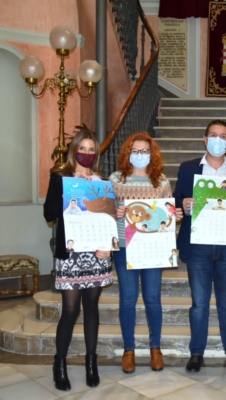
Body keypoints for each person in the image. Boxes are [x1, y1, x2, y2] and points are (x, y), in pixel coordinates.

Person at [174, 119, 226, 373]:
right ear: (205, 140)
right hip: (198, 246)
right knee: (199, 303)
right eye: (213, 135)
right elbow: (175, 203)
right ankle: (196, 353)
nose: (218, 139)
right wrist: (182, 206)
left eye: (223, 136)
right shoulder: (187, 169)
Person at [43, 129, 112, 391]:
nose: (86, 153)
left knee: (92, 308)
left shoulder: (102, 181)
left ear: (96, 154)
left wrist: (109, 248)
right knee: (70, 310)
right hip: (71, 254)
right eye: (82, 149)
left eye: (91, 149)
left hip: (96, 254)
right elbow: (49, 214)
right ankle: (59, 363)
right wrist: (66, 195)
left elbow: (107, 219)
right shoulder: (60, 177)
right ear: (74, 151)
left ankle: (91, 363)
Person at [110, 132, 183, 374]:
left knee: (153, 298)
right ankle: (129, 350)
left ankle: (155, 348)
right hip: (125, 248)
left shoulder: (160, 181)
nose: (140, 155)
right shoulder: (115, 179)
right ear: (127, 153)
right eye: (135, 150)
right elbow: (105, 213)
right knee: (128, 299)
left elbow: (166, 214)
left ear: (152, 155)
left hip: (153, 249)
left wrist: (175, 216)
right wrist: (114, 213)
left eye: (144, 151)